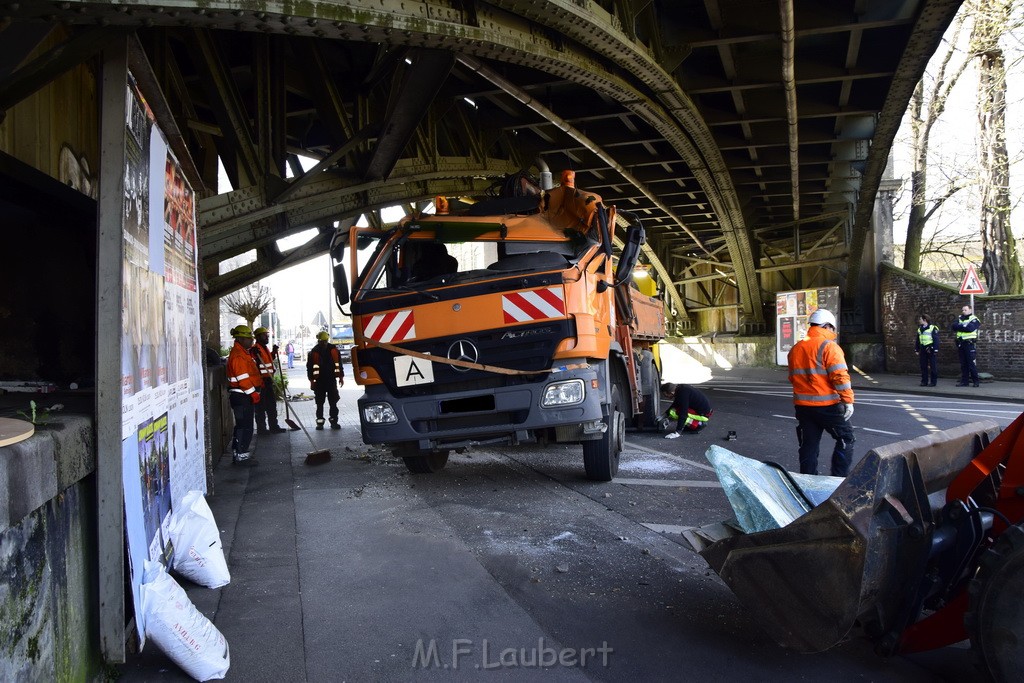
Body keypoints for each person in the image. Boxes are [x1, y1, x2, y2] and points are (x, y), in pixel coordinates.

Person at [787, 309, 855, 477]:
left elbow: (793, 377)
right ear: (827, 326)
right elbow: (839, 376)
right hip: (827, 406)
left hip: (803, 407)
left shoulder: (796, 348)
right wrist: (848, 401)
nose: (834, 333)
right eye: (832, 329)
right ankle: (838, 479)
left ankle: (806, 482)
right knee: (846, 438)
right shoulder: (829, 347)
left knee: (808, 446)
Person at [225, 325, 262, 463]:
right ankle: (240, 455)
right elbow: (243, 379)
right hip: (242, 397)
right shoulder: (238, 356)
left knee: (244, 426)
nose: (251, 341)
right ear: (239, 338)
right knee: (244, 426)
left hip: (243, 396)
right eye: (248, 339)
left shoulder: (244, 353)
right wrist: (253, 393)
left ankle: (240, 453)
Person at [307, 331, 345, 430]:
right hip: (319, 381)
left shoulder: (334, 350)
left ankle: (334, 422)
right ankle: (320, 422)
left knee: (333, 402)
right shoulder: (313, 352)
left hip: (331, 380)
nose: (323, 343)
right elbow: (310, 368)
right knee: (319, 403)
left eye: (325, 341)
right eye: (322, 341)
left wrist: (341, 377)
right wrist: (311, 381)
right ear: (318, 340)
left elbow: (339, 364)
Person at [251, 327, 286, 434]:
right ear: (258, 337)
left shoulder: (264, 348)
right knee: (261, 407)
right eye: (264, 335)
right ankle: (262, 429)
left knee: (271, 405)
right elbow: (254, 365)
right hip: (260, 382)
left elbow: (267, 361)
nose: (267, 337)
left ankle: (273, 426)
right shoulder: (255, 349)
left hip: (268, 381)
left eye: (267, 335)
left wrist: (273, 353)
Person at [952, 304, 981, 387]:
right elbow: (953, 326)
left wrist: (960, 326)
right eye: (963, 310)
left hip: (969, 344)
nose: (963, 311)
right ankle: (965, 382)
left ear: (970, 310)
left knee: (971, 363)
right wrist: (963, 326)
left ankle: (976, 381)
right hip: (961, 343)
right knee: (963, 364)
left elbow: (970, 328)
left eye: (965, 310)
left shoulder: (974, 319)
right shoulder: (960, 318)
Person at [915, 314, 939, 387]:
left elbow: (936, 339)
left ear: (925, 320)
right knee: (923, 366)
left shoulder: (932, 328)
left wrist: (935, 349)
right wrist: (917, 349)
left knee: (932, 366)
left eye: (920, 319)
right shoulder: (919, 329)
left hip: (930, 348)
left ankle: (933, 382)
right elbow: (917, 340)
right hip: (923, 349)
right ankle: (924, 381)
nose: (919, 320)